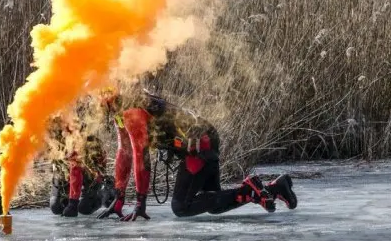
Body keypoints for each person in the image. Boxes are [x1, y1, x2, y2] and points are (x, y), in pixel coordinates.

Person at [97, 88, 297, 221]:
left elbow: (140, 157)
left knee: (181, 206)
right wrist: (119, 196)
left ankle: (253, 191)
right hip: (202, 139)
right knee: (215, 203)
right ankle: (275, 188)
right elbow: (124, 153)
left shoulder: (131, 110)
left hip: (200, 143)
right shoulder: (120, 109)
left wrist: (140, 204)